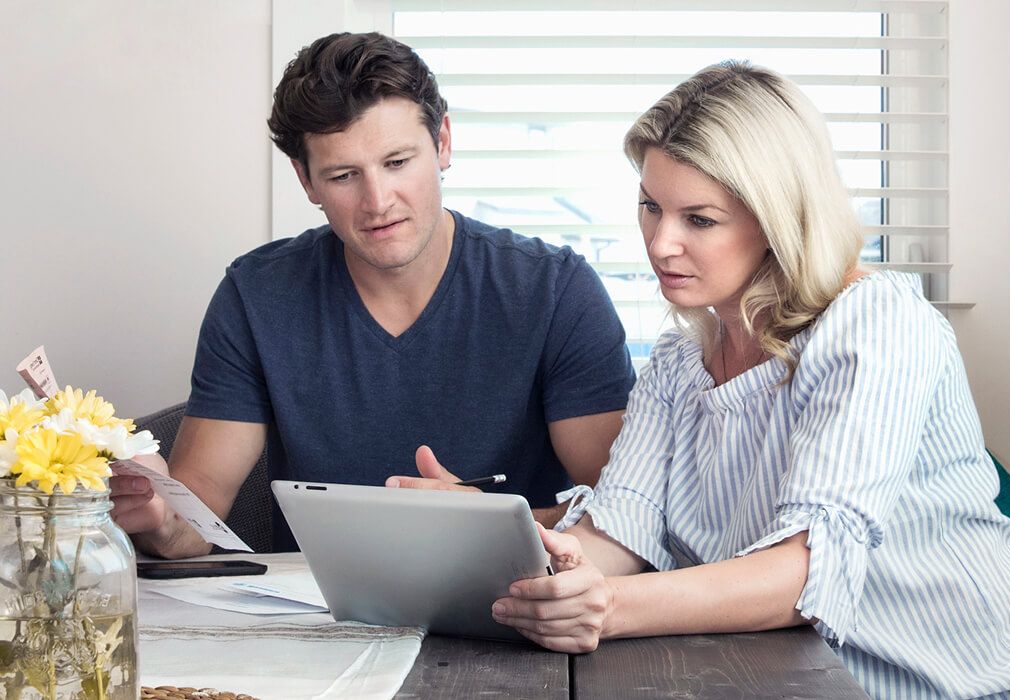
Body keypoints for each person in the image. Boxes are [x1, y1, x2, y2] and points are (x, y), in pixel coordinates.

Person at [491, 62, 1010, 698]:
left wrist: (609, 607)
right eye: (651, 207)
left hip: (980, 685)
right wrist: (501, 552)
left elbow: (804, 573)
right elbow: (615, 534)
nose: (660, 243)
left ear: (777, 218)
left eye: (699, 219)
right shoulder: (677, 368)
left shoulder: (877, 323)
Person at [112, 32, 635, 558]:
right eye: (343, 176)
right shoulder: (256, 297)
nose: (378, 201)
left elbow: (626, 516)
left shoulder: (555, 291)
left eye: (398, 162)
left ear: (443, 143)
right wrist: (159, 518)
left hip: (514, 609)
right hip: (319, 620)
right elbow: (196, 523)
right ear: (306, 181)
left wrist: (493, 519)